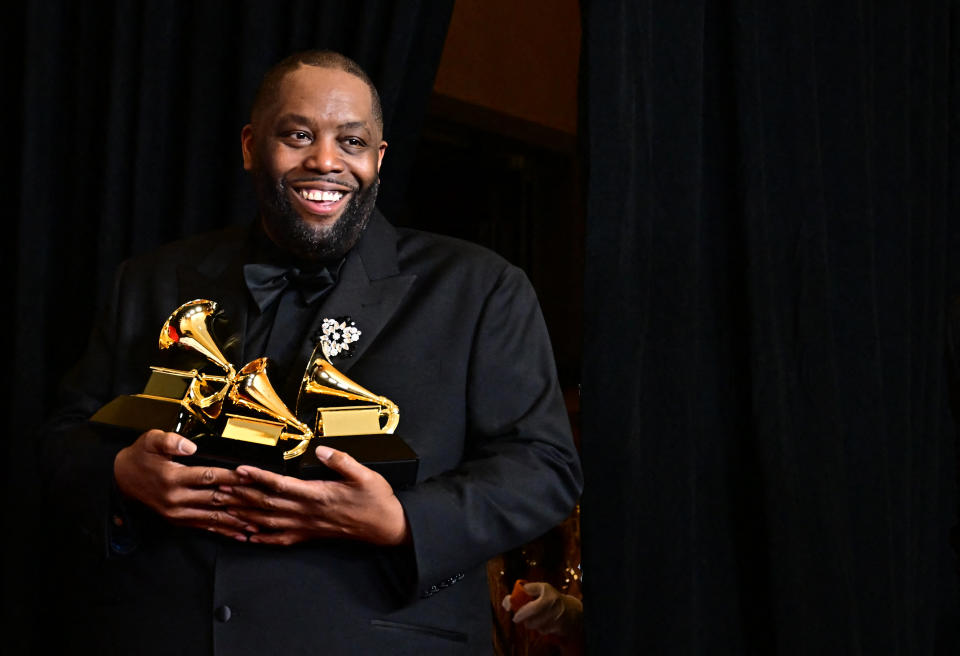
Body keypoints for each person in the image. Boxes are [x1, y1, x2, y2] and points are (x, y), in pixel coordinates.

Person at [40, 50, 582, 655]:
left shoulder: (480, 287)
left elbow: (544, 468)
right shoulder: (149, 281)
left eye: (351, 142)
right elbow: (65, 437)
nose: (325, 161)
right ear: (251, 147)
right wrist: (120, 477)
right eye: (299, 135)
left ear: (378, 160)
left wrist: (403, 522)